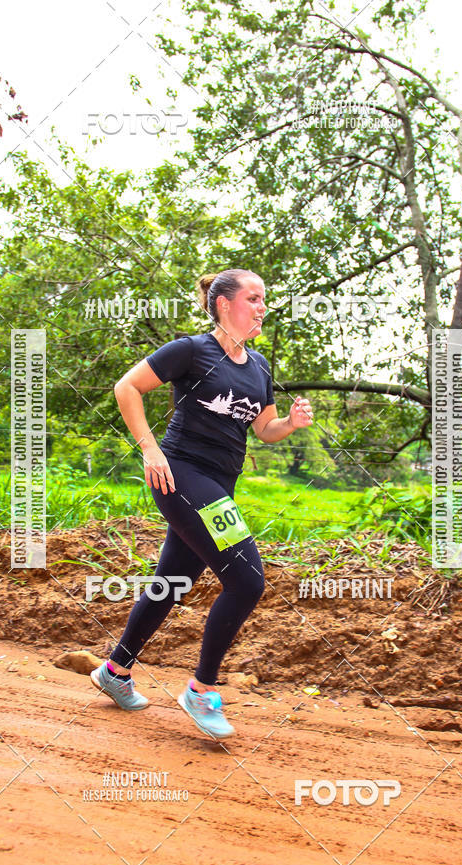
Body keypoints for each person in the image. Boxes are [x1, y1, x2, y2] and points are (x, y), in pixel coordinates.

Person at [91, 268, 313, 738]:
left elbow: (263, 429)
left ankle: (115, 671)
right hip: (180, 473)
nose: (261, 307)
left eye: (264, 299)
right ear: (222, 304)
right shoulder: (192, 350)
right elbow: (126, 388)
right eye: (253, 298)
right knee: (248, 580)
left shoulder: (259, 367)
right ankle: (200, 688)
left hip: (218, 484)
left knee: (172, 582)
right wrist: (150, 449)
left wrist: (289, 424)